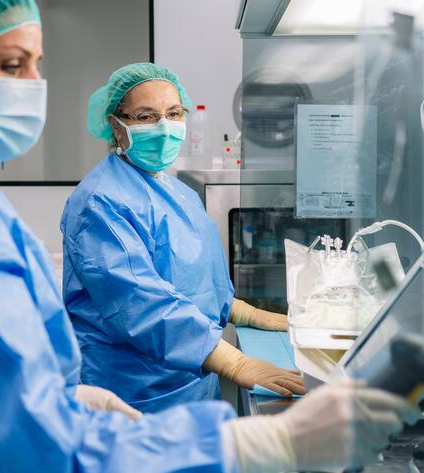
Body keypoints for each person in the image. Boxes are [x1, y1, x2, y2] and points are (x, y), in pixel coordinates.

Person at [0, 1, 418, 472]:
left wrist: (55, 398)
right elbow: (44, 454)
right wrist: (268, 446)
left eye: (38, 65)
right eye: (12, 65)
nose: (36, 86)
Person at [61, 63, 305, 413]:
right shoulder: (99, 202)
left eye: (174, 113)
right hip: (135, 392)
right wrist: (235, 363)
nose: (164, 126)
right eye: (146, 117)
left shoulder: (177, 192)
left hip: (192, 381)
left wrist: (246, 313)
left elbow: (194, 279)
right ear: (117, 126)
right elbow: (139, 303)